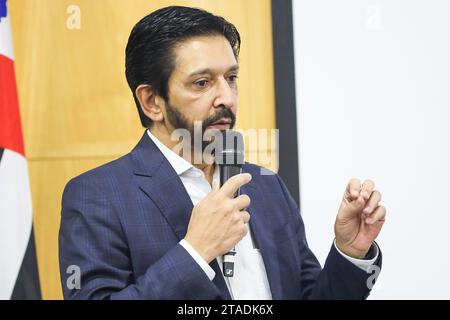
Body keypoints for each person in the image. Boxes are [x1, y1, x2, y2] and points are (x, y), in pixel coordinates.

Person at [59, 6, 385, 300]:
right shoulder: (98, 195)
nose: (226, 98)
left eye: (231, 78)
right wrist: (195, 251)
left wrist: (349, 252)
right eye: (202, 83)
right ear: (151, 102)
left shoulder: (265, 184)